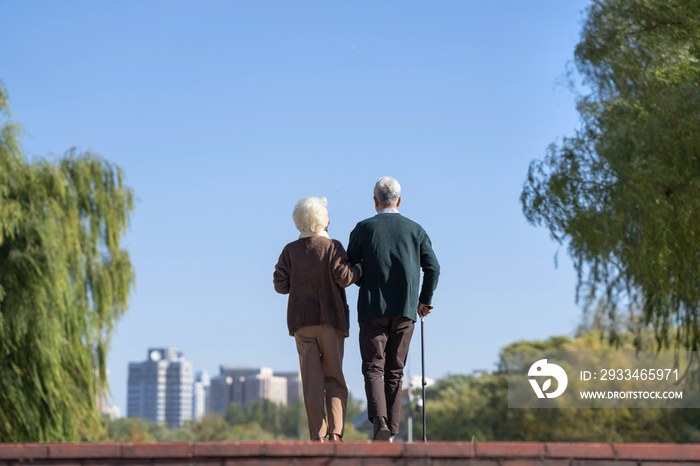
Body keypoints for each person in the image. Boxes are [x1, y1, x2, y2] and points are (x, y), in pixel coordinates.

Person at [347, 177, 440, 442]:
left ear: (375, 201)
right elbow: (433, 268)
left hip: (372, 309)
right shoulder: (415, 230)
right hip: (405, 311)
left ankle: (380, 422)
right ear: (399, 200)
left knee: (373, 367)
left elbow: (350, 268)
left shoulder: (363, 229)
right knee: (395, 371)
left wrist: (367, 277)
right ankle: (392, 431)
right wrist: (424, 300)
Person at [273, 196, 362, 442]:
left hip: (302, 323)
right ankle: (335, 433)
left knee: (311, 382)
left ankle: (317, 437)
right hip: (331, 322)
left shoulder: (289, 250)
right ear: (324, 220)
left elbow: (280, 285)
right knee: (334, 377)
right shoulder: (333, 246)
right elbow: (344, 277)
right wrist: (360, 269)